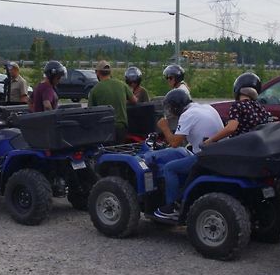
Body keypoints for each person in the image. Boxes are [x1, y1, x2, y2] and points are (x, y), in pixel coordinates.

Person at [154, 89, 224, 219]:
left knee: (170, 168)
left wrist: (164, 128)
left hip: (206, 157)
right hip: (221, 152)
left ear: (176, 106)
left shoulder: (187, 115)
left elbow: (174, 143)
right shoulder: (207, 107)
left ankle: (173, 208)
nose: (169, 110)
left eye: (170, 107)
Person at [203, 72, 270, 145]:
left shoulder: (238, 106)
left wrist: (211, 140)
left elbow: (231, 128)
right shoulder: (259, 107)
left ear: (237, 88)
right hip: (258, 146)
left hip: (240, 147)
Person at [88, 60, 137, 143]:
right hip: (121, 127)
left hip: (104, 129)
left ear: (97, 73)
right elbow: (134, 101)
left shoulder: (94, 90)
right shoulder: (122, 85)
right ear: (110, 72)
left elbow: (90, 113)